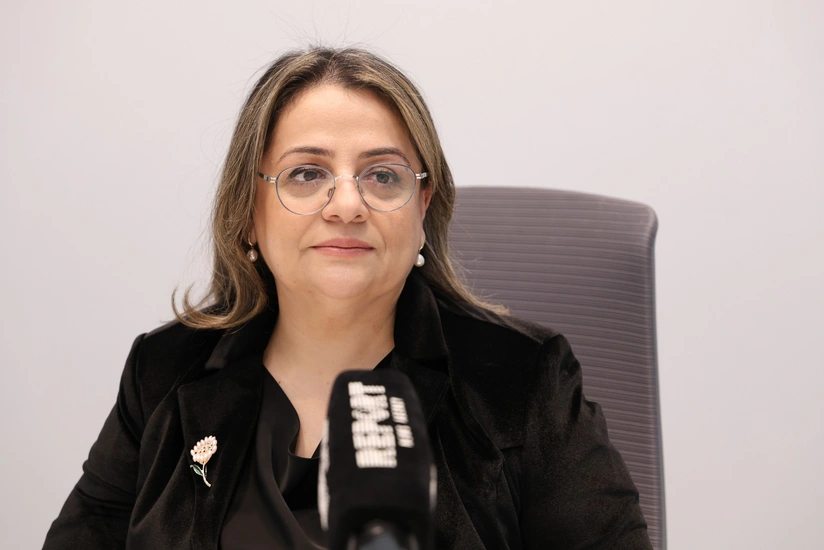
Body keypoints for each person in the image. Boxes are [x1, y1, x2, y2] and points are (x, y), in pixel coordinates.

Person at [43, 47, 652, 549]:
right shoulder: (163, 374)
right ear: (249, 211)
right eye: (307, 174)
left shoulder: (524, 380)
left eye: (382, 175)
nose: (347, 205)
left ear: (422, 208)